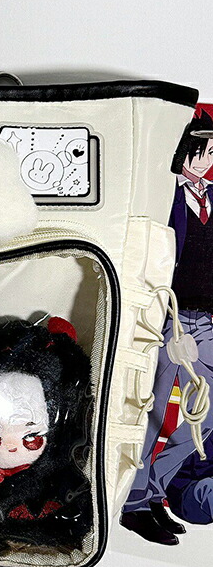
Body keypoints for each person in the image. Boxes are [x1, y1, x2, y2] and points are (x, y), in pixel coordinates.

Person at [121, 108, 213, 544]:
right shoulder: (162, 195)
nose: (207, 161)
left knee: (206, 416)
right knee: (154, 411)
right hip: (168, 314)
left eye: (212, 153)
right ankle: (133, 502)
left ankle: (155, 490)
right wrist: (165, 324)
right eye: (201, 151)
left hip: (208, 318)